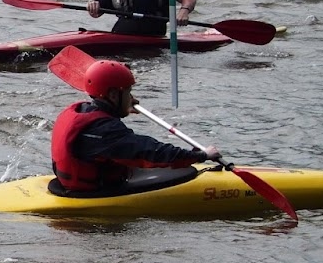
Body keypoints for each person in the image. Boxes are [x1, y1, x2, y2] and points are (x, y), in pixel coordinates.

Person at [50, 59, 217, 194]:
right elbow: (151, 152)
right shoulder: (105, 132)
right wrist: (201, 156)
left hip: (70, 184)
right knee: (184, 170)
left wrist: (122, 106)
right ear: (114, 95)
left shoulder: (80, 110)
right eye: (128, 92)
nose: (132, 97)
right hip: (95, 191)